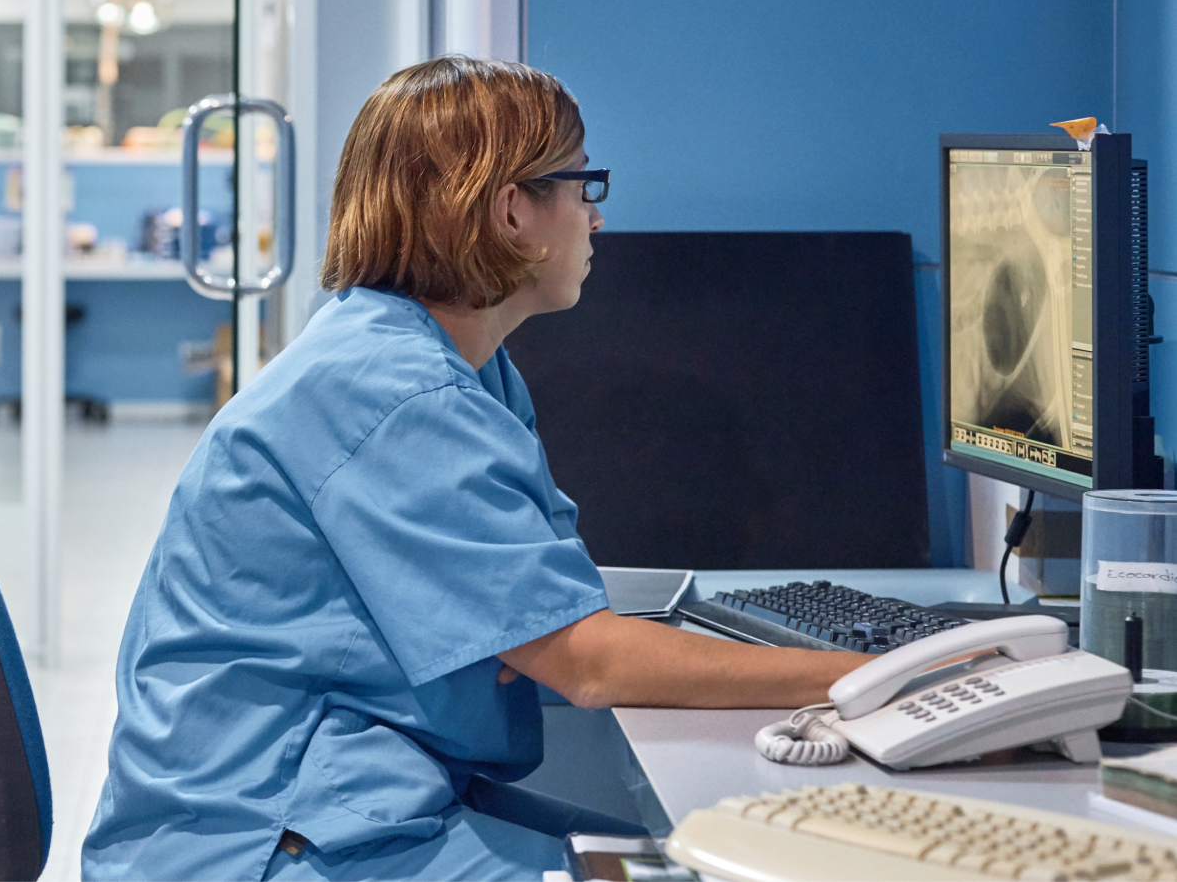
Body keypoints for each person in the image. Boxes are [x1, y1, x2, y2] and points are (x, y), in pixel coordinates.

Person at [81, 57, 870, 882]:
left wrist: (547, 638)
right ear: (510, 211)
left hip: (344, 798)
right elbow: (587, 660)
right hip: (260, 839)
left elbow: (546, 621)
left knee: (700, 857)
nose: (594, 218)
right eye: (580, 185)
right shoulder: (397, 395)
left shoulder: (444, 364)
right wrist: (869, 677)